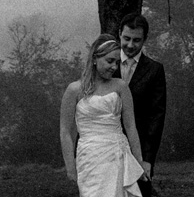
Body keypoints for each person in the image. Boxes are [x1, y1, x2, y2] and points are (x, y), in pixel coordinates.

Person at [60, 34, 150, 197]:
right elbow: (65, 131)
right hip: (89, 157)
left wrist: (139, 161)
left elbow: (131, 127)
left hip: (117, 153)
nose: (114, 67)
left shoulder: (120, 87)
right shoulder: (74, 90)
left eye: (117, 62)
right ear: (95, 59)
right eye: (110, 61)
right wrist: (70, 167)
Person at [118, 13, 167, 197]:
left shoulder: (154, 71)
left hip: (137, 152)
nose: (130, 45)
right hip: (105, 149)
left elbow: (156, 118)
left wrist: (147, 160)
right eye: (126, 39)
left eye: (137, 40)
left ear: (145, 39)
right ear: (119, 35)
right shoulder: (105, 65)